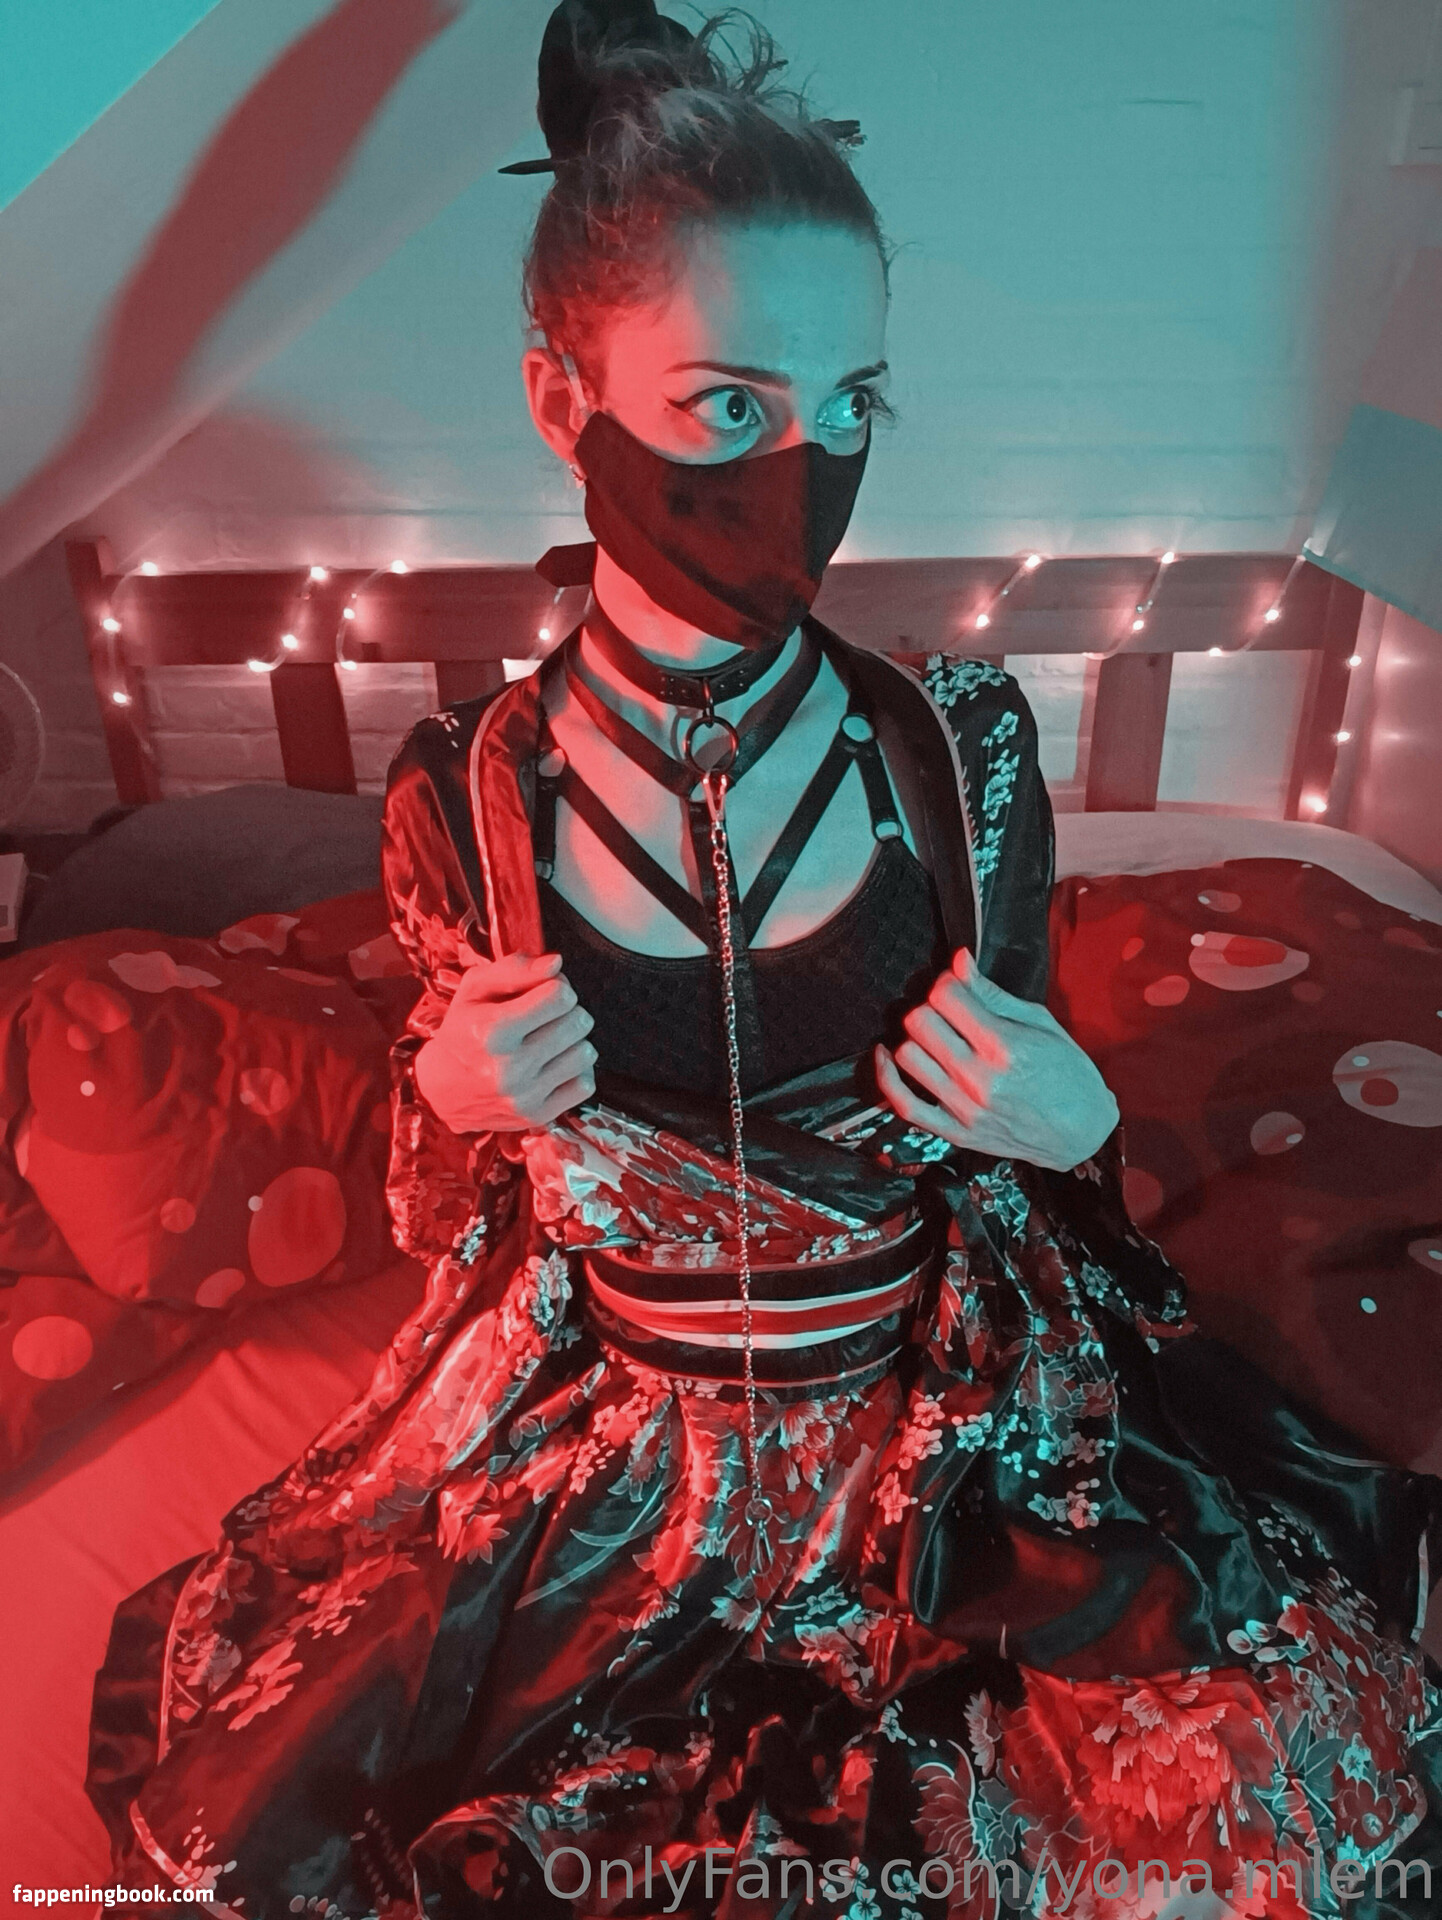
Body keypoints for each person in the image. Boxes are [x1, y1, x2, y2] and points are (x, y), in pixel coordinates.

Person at [89, 7, 1442, 1916]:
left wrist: (1077, 1123)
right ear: (560, 398)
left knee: (1255, 1793)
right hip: (614, 1448)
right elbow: (447, 1209)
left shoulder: (955, 747)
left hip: (935, 1430)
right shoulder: (463, 795)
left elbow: (1021, 1139)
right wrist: (449, 1097)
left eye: (849, 404)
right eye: (727, 406)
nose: (801, 465)